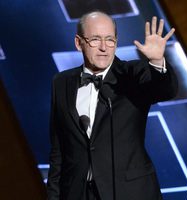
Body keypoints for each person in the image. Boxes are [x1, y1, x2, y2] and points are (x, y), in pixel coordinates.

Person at [47, 11, 178, 200]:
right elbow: (58, 150)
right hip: (78, 193)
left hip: (130, 192)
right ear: (78, 43)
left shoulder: (133, 74)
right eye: (95, 39)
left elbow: (166, 90)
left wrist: (157, 61)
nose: (103, 48)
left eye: (110, 40)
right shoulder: (61, 82)